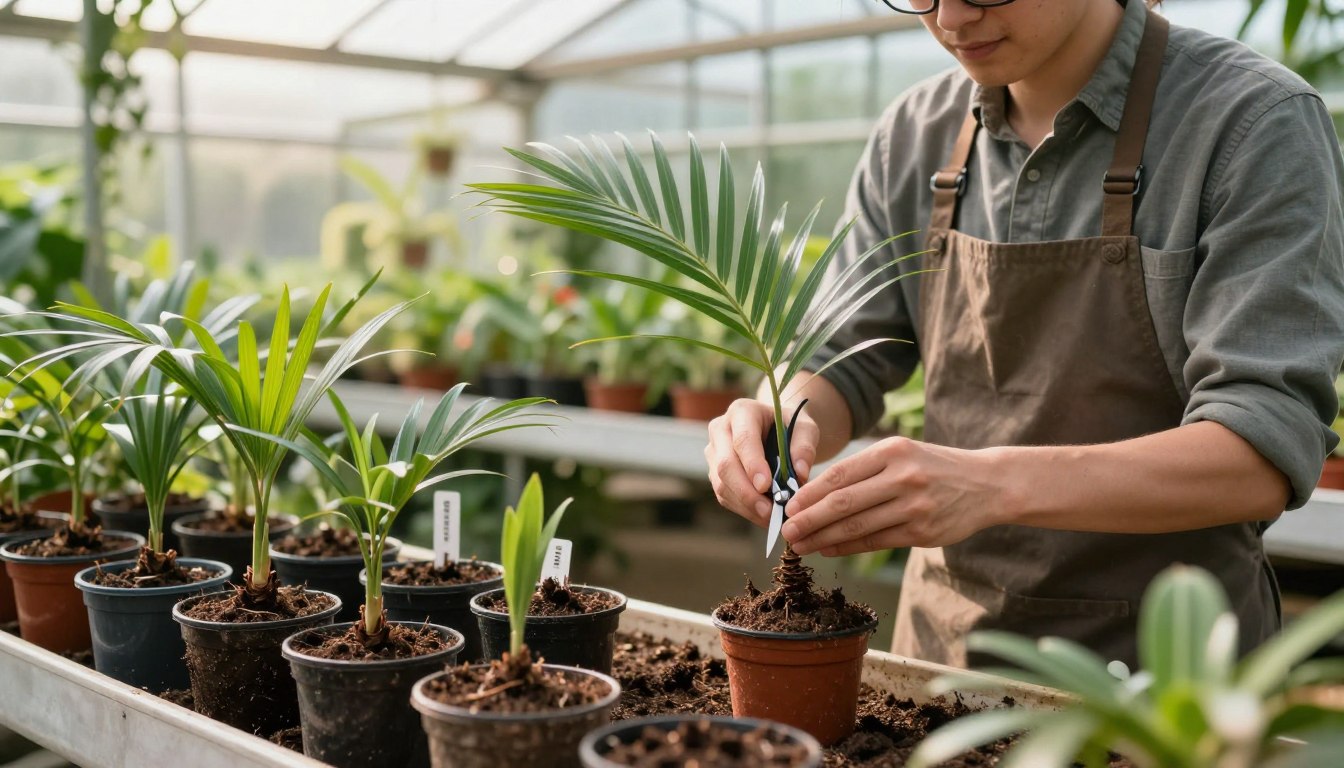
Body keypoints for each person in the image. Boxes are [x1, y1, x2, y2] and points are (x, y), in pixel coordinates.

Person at [705, 0, 1344, 668]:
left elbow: (1261, 451)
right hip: (941, 667)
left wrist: (987, 485)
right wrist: (783, 416)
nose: (951, 18)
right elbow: (844, 357)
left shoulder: (1249, 122)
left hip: (1163, 680)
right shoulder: (915, 133)